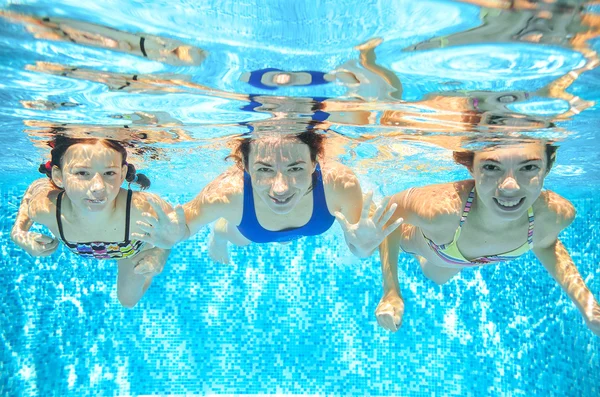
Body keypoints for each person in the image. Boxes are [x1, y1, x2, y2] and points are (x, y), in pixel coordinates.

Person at [375, 139, 600, 336]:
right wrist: (391, 291)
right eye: (491, 167)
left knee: (437, 276)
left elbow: (546, 244)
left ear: (548, 166)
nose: (510, 185)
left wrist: (587, 305)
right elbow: (387, 214)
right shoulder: (441, 211)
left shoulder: (554, 215)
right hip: (433, 243)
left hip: (452, 257)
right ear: (471, 167)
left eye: (529, 167)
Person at [134, 130, 403, 263]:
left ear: (314, 163)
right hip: (252, 229)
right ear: (244, 166)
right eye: (264, 169)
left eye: (295, 168)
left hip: (303, 224)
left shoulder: (340, 184)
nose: (280, 189)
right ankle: (220, 234)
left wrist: (365, 247)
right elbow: (184, 225)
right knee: (236, 237)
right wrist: (173, 237)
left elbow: (358, 247)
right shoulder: (228, 194)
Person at [10, 136, 175, 308]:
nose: (98, 187)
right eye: (82, 173)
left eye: (109, 173)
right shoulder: (48, 210)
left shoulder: (139, 208)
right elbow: (37, 188)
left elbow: (177, 225)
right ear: (58, 177)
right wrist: (18, 233)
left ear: (122, 175)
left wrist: (161, 253)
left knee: (128, 301)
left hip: (133, 251)